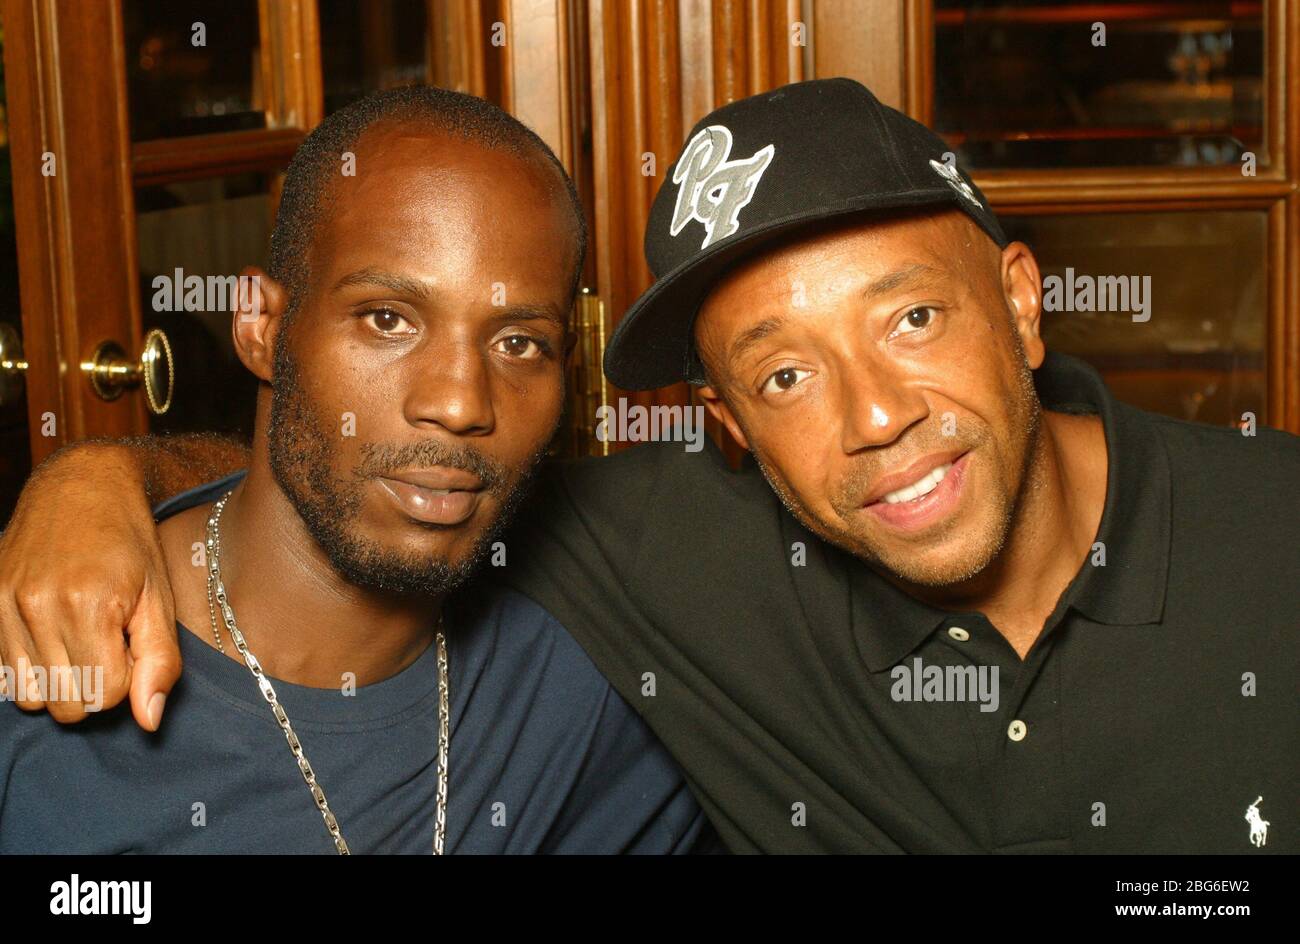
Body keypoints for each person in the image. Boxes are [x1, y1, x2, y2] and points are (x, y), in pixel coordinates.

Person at [3, 79, 1296, 853]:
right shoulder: (643, 568)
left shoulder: (1272, 537)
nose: (875, 417)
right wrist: (92, 482)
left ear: (1020, 302)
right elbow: (344, 479)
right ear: (728, 428)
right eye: (782, 373)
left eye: (911, 317)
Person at [0, 87, 709, 854]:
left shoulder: (607, 647)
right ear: (261, 327)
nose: (460, 403)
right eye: (388, 320)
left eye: (518, 343)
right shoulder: (44, 671)